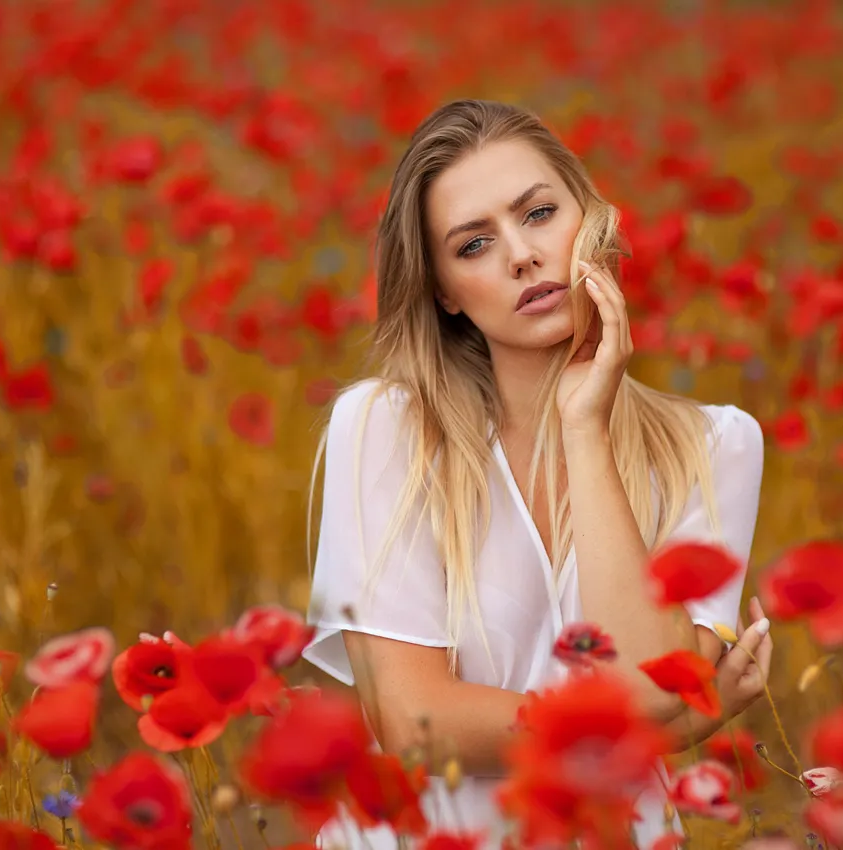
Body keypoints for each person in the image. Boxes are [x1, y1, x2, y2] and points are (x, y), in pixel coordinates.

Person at [303, 99, 771, 849]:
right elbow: (414, 727)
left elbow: (650, 683)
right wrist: (638, 732)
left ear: (592, 218)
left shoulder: (715, 447)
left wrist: (585, 428)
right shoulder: (384, 427)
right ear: (445, 294)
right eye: (474, 244)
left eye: (541, 213)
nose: (521, 254)